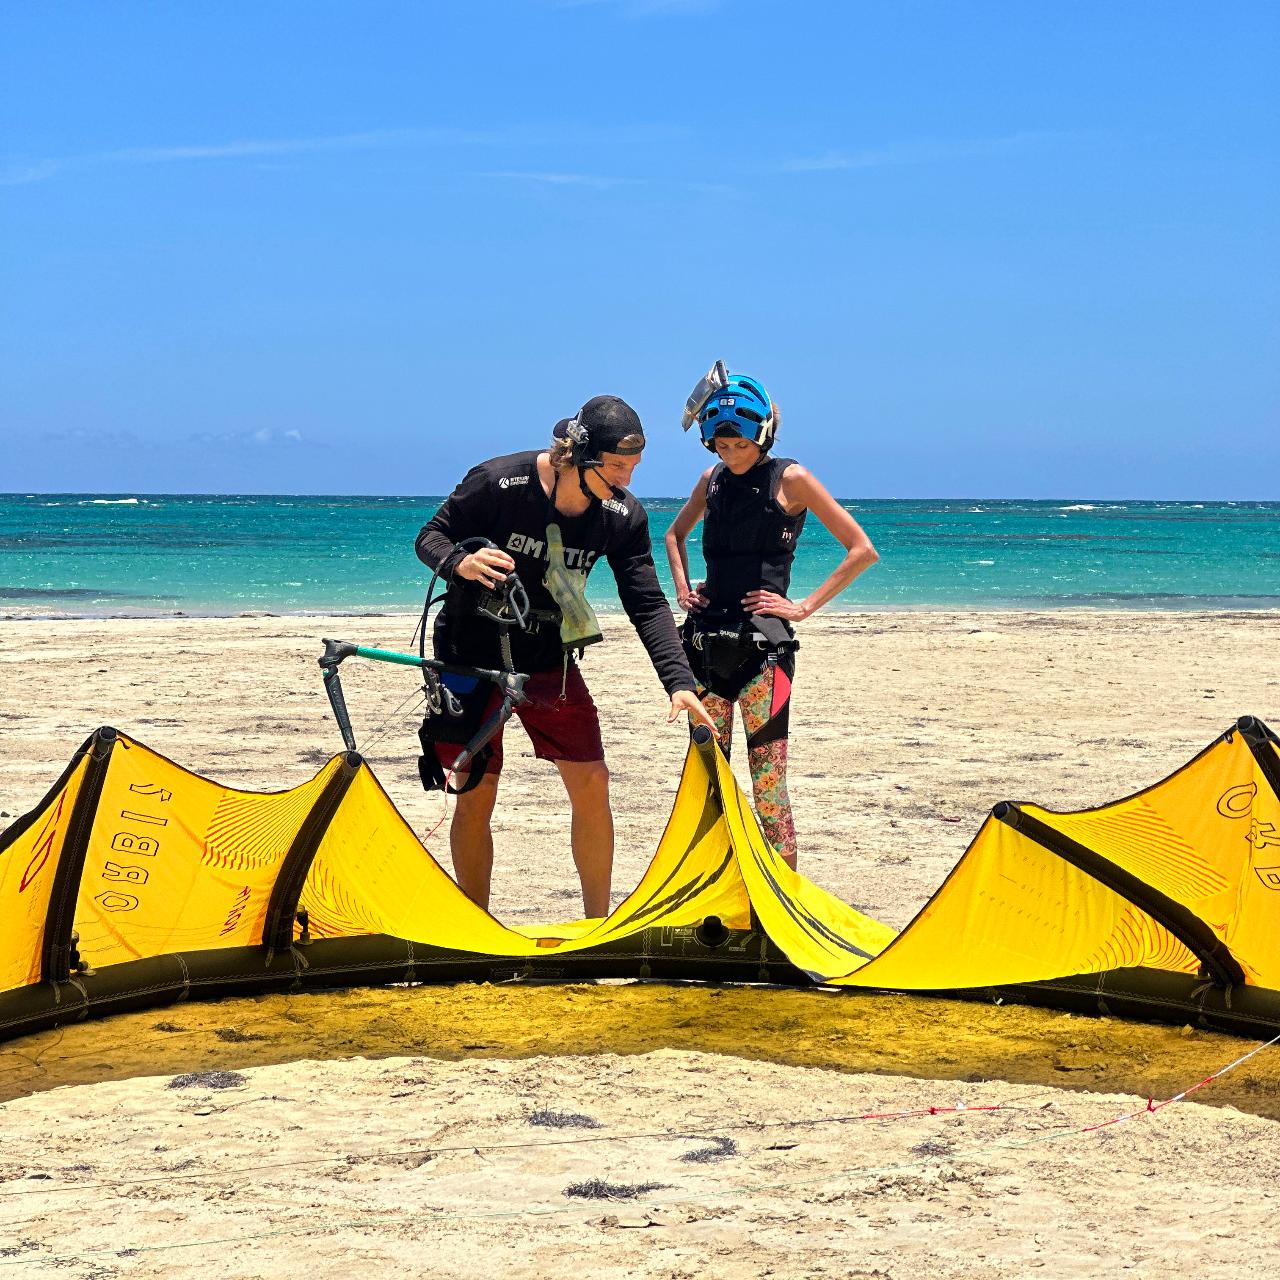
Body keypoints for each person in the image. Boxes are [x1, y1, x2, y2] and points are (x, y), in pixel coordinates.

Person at [416, 394, 713, 919]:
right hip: (468, 652)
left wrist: (679, 680)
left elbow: (645, 600)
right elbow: (430, 537)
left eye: (634, 467)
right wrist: (459, 561)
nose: (627, 480)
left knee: (592, 780)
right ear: (578, 455)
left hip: (548, 660)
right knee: (476, 791)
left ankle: (597, 923)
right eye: (617, 467)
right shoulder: (497, 481)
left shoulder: (622, 516)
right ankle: (476, 924)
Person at [664, 363, 878, 868]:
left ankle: (781, 893)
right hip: (705, 648)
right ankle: (708, 886)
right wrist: (682, 590)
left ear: (762, 433)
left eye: (741, 444)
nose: (732, 454)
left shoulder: (792, 479)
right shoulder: (710, 480)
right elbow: (673, 536)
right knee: (707, 779)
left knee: (768, 785)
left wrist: (801, 607)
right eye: (722, 444)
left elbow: (860, 549)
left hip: (765, 656)